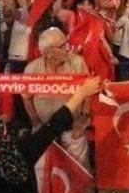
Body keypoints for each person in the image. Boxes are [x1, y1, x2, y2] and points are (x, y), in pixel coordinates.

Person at [22, 28, 90, 167]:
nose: (67, 48)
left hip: (72, 130)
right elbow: (27, 99)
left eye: (66, 43)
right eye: (62, 46)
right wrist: (36, 124)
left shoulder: (77, 63)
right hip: (44, 130)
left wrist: (83, 119)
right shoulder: (32, 70)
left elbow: (88, 93)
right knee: (44, 175)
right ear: (47, 52)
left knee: (79, 176)